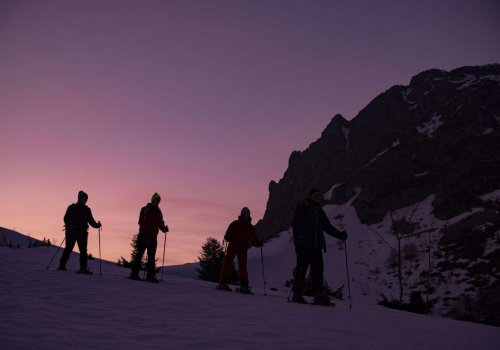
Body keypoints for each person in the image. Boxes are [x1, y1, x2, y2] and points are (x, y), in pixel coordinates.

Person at [291, 189, 347, 305]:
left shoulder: (319, 211)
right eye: (315, 196)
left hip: (316, 246)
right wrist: (306, 232)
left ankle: (319, 295)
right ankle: (297, 294)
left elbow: (327, 226)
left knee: (317, 271)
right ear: (310, 196)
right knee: (302, 269)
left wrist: (340, 235)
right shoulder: (303, 207)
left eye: (319, 196)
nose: (317, 198)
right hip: (304, 244)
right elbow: (296, 223)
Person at [218, 207, 263, 293]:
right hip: (236, 246)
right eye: (245, 214)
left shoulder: (242, 226)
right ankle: (237, 285)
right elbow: (227, 235)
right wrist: (258, 243)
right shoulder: (242, 226)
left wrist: (258, 243)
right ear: (242, 214)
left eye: (247, 214)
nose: (246, 215)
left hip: (238, 246)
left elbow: (253, 239)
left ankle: (237, 284)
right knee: (232, 264)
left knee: (238, 265)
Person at [59, 191, 102, 274]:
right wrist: (71, 225)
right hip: (74, 232)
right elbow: (66, 219)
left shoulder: (86, 209)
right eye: (84, 198)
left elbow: (91, 221)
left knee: (81, 250)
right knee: (70, 248)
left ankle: (81, 268)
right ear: (80, 198)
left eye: (86, 199)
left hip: (80, 232)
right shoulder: (73, 207)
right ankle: (62, 265)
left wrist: (97, 225)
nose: (85, 200)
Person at [130, 192, 169, 283]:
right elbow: (140, 221)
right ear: (152, 200)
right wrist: (148, 227)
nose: (157, 202)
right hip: (144, 235)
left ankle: (150, 276)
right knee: (139, 255)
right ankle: (134, 274)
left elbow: (160, 223)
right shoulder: (144, 209)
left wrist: (164, 229)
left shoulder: (159, 212)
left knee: (151, 257)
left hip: (152, 237)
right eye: (156, 200)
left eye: (158, 201)